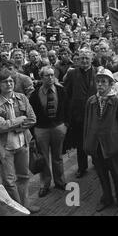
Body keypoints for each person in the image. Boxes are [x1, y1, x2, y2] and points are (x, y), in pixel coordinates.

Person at [84, 68, 118, 212]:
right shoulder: (91, 101)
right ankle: (107, 198)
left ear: (110, 84)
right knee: (102, 175)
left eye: (104, 82)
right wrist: (88, 143)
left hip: (113, 146)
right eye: (98, 81)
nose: (100, 85)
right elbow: (87, 124)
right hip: (97, 146)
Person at [0, 68, 40, 213]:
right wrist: (19, 120)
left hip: (23, 144)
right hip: (5, 148)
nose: (9, 84)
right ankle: (17, 210)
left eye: (11, 81)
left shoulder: (21, 97)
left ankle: (25, 205)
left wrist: (13, 126)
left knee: (23, 177)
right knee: (9, 182)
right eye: (4, 81)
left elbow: (32, 119)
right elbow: (0, 126)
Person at [29, 66, 69, 197]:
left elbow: (67, 108)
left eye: (52, 75)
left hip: (58, 127)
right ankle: (45, 184)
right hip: (41, 129)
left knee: (58, 156)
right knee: (44, 158)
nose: (51, 78)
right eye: (47, 75)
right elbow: (32, 114)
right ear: (41, 77)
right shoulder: (35, 95)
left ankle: (60, 181)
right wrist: (33, 133)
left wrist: (65, 125)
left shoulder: (61, 90)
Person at [64, 49, 97, 178]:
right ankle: (82, 167)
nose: (84, 61)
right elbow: (67, 94)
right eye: (82, 58)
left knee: (95, 140)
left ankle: (96, 162)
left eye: (86, 58)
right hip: (78, 115)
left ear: (91, 59)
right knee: (80, 143)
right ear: (78, 59)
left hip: (94, 114)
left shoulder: (98, 72)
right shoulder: (72, 74)